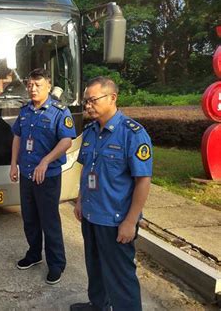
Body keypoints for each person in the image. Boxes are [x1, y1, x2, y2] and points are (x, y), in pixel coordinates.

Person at [71, 77, 153, 311]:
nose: (88, 106)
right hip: (90, 215)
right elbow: (87, 169)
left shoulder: (133, 134)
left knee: (120, 276)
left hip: (115, 220)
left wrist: (130, 221)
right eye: (86, 101)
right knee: (95, 267)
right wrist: (79, 201)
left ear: (112, 98)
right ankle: (99, 306)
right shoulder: (90, 132)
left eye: (93, 100)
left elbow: (143, 181)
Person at [10, 68, 76, 285]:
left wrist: (46, 161)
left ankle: (56, 264)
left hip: (47, 176)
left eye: (38, 85)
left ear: (48, 85)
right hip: (27, 174)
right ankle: (34, 254)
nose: (33, 89)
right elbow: (17, 137)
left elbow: (66, 141)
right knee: (29, 217)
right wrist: (13, 165)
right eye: (29, 85)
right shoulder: (25, 111)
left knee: (49, 220)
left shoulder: (59, 112)